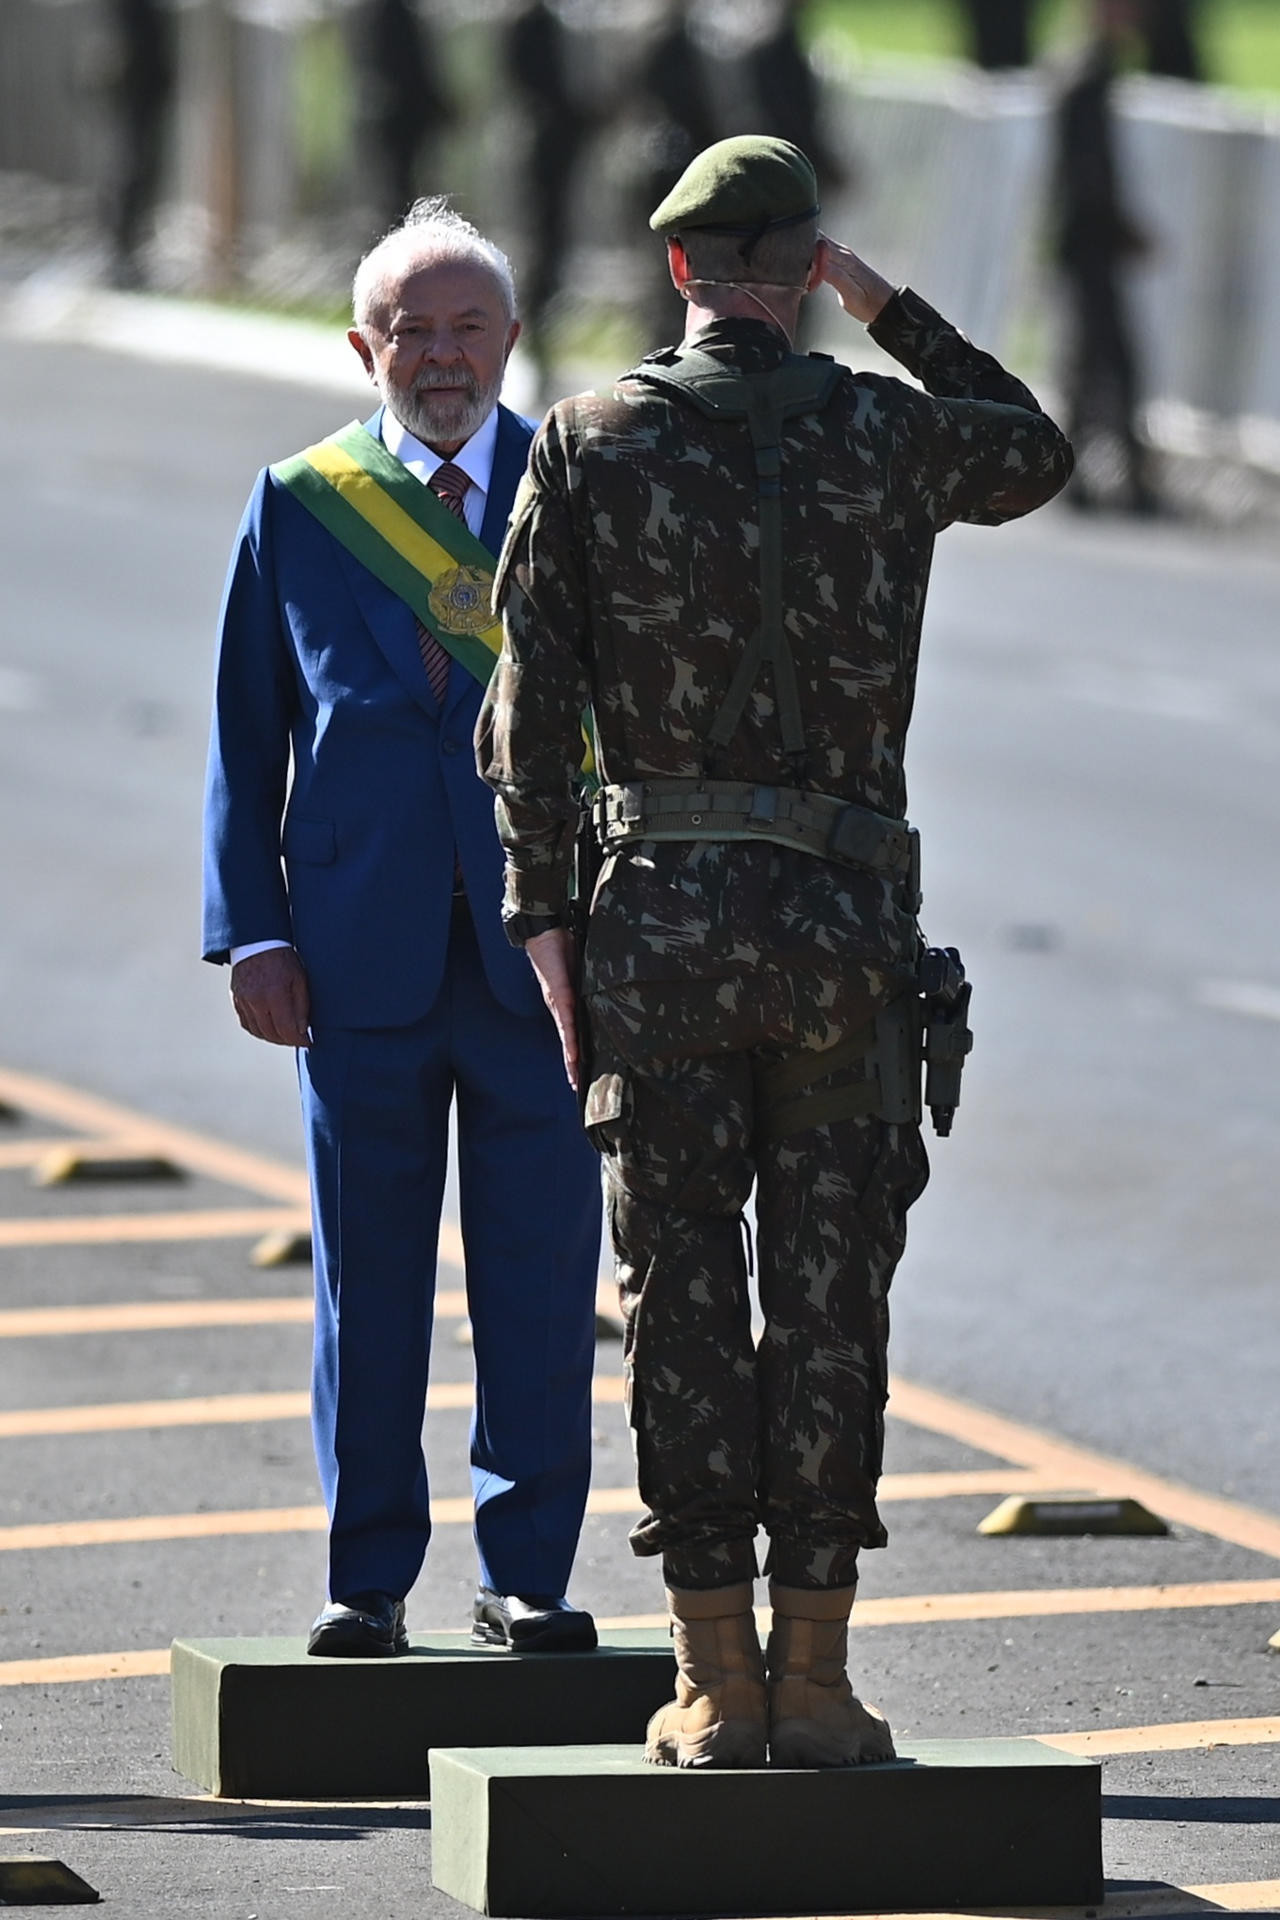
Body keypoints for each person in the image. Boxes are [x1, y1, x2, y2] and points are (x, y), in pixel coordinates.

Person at [477, 135, 1071, 1766]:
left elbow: (525, 727)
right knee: (828, 1311)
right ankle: (819, 1679)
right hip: (843, 936)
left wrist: (549, 931)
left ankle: (711, 1681)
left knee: (679, 1297)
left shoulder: (591, 443)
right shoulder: (888, 428)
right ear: (806, 268)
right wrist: (885, 304)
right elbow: (1040, 448)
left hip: (658, 934)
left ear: (678, 270)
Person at [202, 199, 603, 1660]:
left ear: (510, 339)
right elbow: (249, 738)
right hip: (356, 957)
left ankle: (530, 1578)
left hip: (544, 959)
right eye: (412, 332)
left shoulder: (578, 492)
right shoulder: (302, 502)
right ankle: (364, 1579)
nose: (442, 356)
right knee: (366, 1289)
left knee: (544, 1285)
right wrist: (253, 930)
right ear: (364, 347)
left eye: (468, 328)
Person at [1053, 0, 1159, 513]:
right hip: (1089, 244)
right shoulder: (1086, 80)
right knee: (1110, 363)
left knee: (1091, 363)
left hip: (1086, 243)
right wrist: (1122, 229)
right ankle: (1125, 481)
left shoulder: (1090, 76)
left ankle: (1073, 473)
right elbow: (1089, 177)